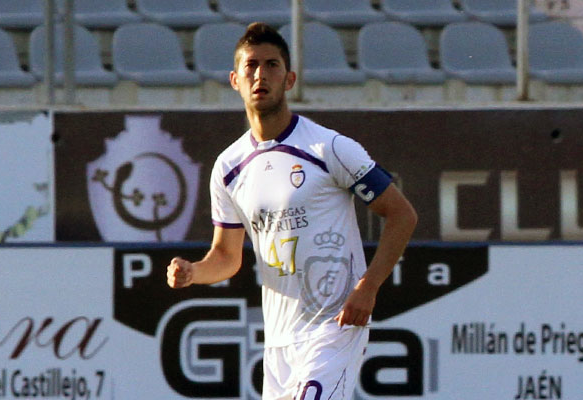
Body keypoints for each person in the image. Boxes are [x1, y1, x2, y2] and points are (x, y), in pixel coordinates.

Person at [167, 22, 417, 400]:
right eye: (251, 66)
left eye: (272, 65)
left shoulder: (328, 148)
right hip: (280, 342)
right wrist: (194, 272)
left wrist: (368, 288)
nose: (260, 75)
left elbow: (402, 215)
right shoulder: (229, 167)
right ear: (235, 79)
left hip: (334, 327)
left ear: (290, 79)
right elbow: (226, 256)